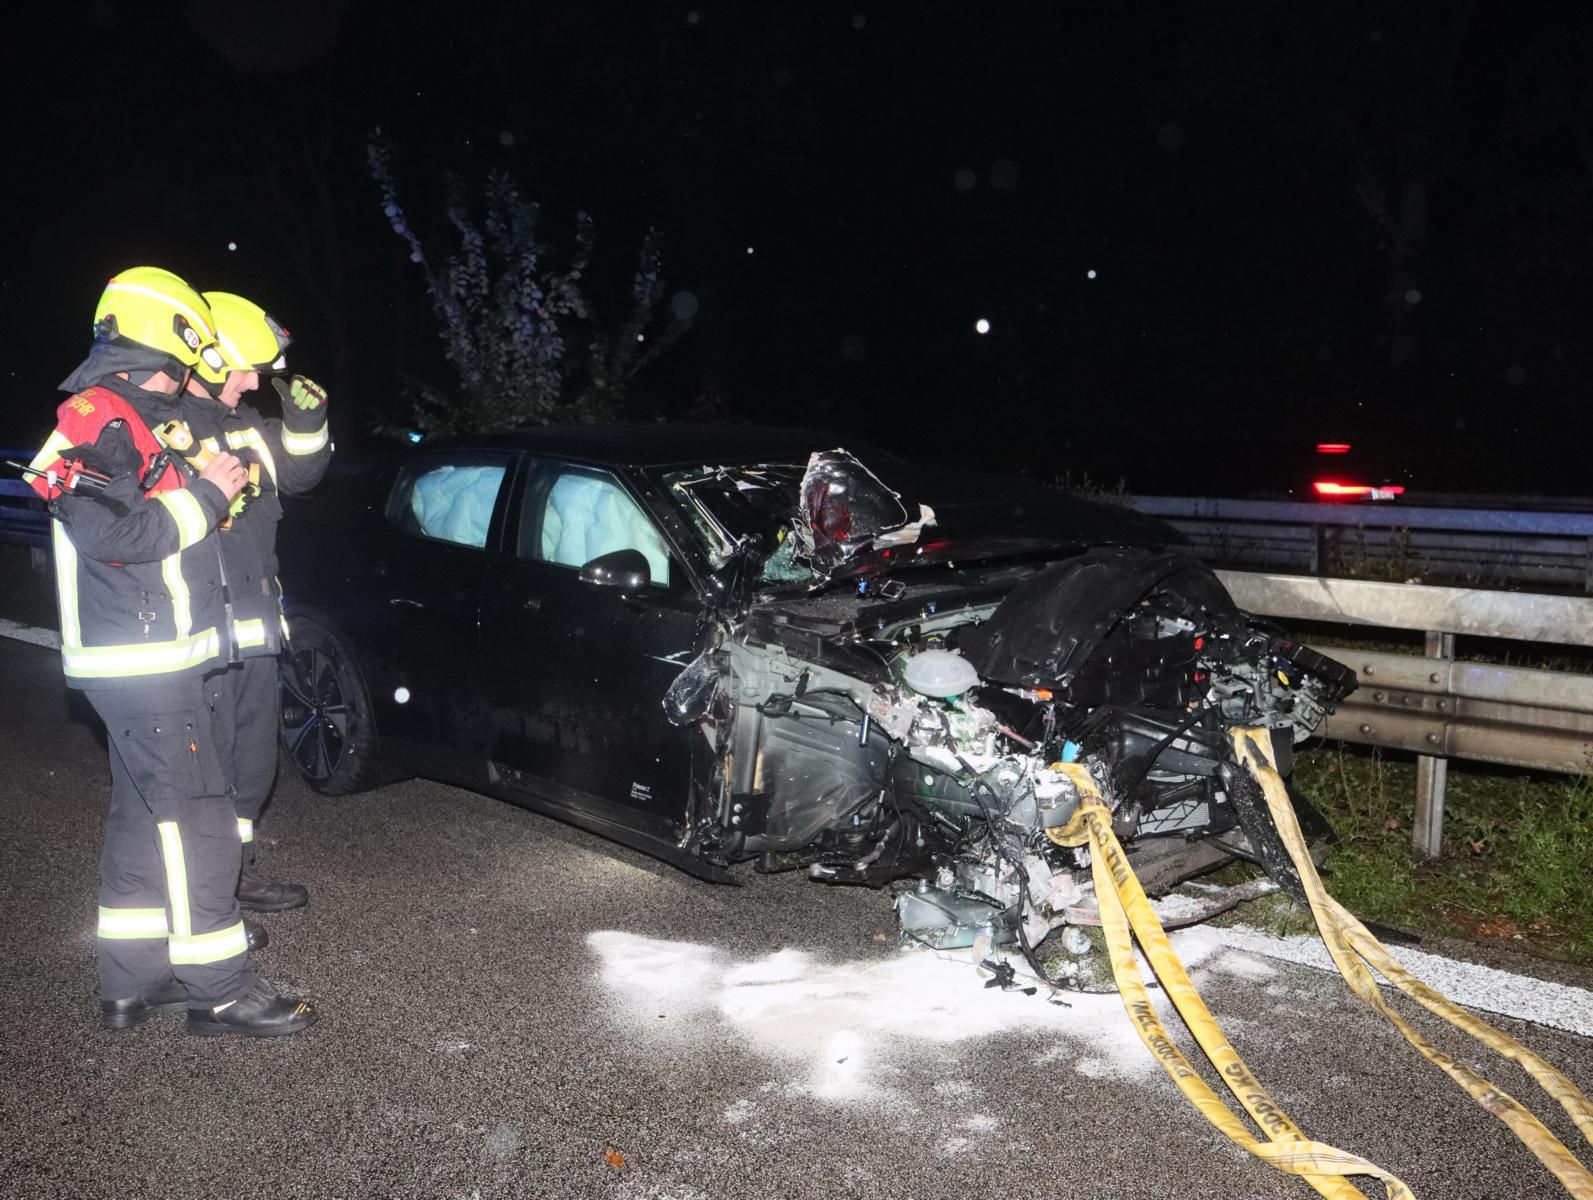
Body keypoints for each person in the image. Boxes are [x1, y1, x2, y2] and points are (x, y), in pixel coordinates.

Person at [25, 266, 315, 1038]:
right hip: (143, 664)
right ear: (172, 337)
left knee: (141, 819)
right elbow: (116, 536)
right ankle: (218, 989)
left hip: (162, 657)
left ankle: (133, 980)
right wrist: (211, 494)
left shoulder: (137, 413)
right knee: (200, 823)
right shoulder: (99, 418)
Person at [178, 290, 332, 913]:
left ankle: (236, 873)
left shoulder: (246, 426)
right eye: (243, 367)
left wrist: (307, 425)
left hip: (253, 629)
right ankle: (203, 898)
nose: (252, 381)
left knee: (251, 760)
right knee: (200, 770)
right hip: (193, 633)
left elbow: (300, 476)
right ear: (209, 359)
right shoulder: (164, 425)